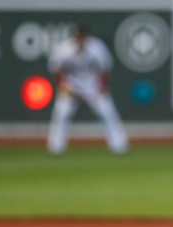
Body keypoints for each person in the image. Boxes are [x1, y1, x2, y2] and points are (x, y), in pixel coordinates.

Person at [46, 25, 128, 155]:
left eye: (82, 37)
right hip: (71, 87)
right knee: (61, 113)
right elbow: (55, 70)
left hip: (92, 86)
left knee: (108, 111)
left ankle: (119, 145)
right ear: (73, 37)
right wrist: (62, 87)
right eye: (77, 37)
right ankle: (56, 147)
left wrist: (102, 87)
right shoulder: (63, 49)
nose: (80, 40)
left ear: (86, 37)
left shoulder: (97, 47)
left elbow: (106, 68)